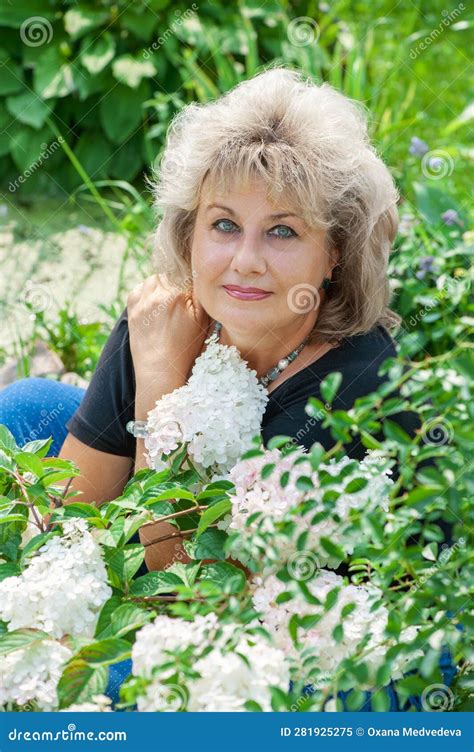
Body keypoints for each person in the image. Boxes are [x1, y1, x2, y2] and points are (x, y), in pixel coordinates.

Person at [0, 66, 454, 709]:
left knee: (118, 688)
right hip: (171, 549)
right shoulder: (168, 317)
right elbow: (63, 526)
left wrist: (160, 381)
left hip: (291, 641)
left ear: (335, 254)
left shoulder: (358, 388)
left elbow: (190, 592)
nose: (244, 260)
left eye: (282, 231)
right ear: (190, 232)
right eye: (223, 225)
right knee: (24, 410)